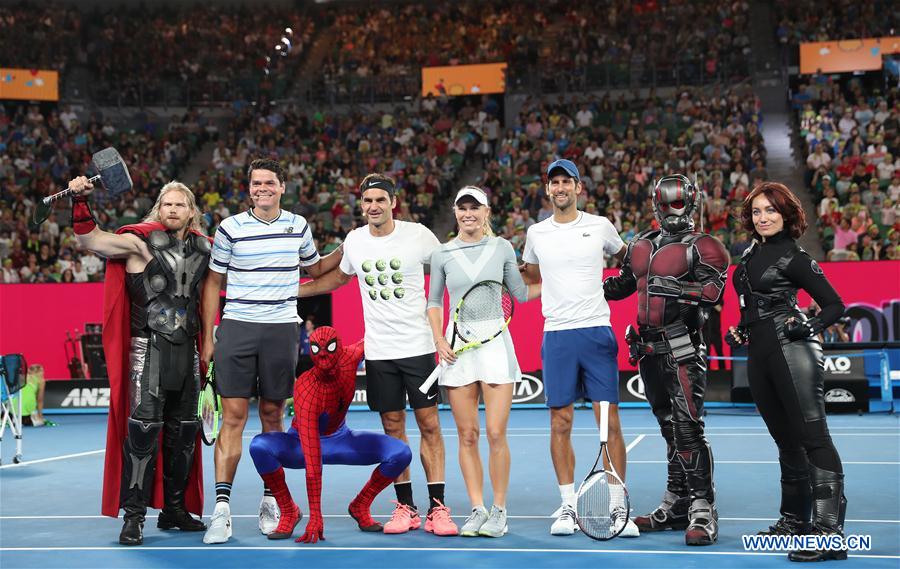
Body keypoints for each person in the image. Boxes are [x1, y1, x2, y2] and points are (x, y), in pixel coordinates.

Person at [299, 173, 457, 536]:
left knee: (430, 425)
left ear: (393, 203)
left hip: (419, 348)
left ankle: (438, 508)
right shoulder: (355, 241)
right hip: (380, 351)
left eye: (380, 200)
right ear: (362, 204)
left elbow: (447, 270)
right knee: (393, 427)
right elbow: (336, 279)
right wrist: (292, 290)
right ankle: (406, 507)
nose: (373, 206)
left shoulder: (418, 235)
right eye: (367, 201)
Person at [201, 159, 343, 544]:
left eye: (269, 183)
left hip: (281, 329)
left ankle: (272, 500)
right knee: (232, 416)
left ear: (283, 187)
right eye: (255, 183)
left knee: (271, 413)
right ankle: (221, 510)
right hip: (238, 327)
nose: (261, 188)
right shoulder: (230, 228)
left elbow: (315, 270)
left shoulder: (298, 226)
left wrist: (352, 247)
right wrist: (208, 336)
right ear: (249, 188)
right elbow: (214, 282)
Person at [67, 176, 209, 545]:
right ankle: (134, 517)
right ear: (158, 210)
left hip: (188, 352)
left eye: (180, 204)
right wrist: (80, 202)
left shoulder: (205, 249)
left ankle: (174, 510)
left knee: (185, 435)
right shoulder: (138, 244)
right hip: (149, 353)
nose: (173, 209)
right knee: (142, 435)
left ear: (191, 210)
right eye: (167, 204)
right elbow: (91, 239)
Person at [604, 175, 730, 546]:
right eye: (667, 203)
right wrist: (581, 286)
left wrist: (676, 288)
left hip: (683, 346)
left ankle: (703, 506)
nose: (674, 210)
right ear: (656, 204)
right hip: (647, 347)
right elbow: (622, 286)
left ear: (691, 205)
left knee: (688, 427)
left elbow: (712, 292)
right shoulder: (640, 244)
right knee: (666, 426)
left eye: (680, 203)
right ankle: (677, 503)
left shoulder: (705, 246)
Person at [729, 182, 847, 562]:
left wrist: (809, 326)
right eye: (757, 211)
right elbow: (754, 305)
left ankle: (831, 536)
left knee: (813, 436)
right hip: (760, 351)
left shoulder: (795, 258)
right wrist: (740, 330)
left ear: (786, 215)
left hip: (792, 348)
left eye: (771, 211)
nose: (763, 218)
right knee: (786, 441)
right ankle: (796, 522)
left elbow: (833, 305)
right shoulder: (749, 255)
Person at [520, 159, 639, 537]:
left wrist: (621, 287)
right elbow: (532, 279)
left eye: (566, 182)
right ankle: (569, 506)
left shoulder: (600, 225)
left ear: (578, 188)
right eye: (554, 182)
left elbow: (630, 261)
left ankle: (619, 507)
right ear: (548, 189)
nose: (560, 188)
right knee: (561, 421)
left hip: (596, 332)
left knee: (610, 422)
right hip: (557, 335)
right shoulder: (536, 233)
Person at [426, 186, 540, 538]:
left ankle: (499, 510)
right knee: (467, 434)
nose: (468, 213)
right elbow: (433, 302)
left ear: (487, 211)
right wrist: (440, 338)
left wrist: (559, 280)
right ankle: (477, 508)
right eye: (462, 208)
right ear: (456, 212)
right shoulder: (442, 253)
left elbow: (520, 294)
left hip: (495, 347)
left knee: (494, 433)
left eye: (475, 207)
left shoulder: (502, 247)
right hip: (457, 350)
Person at [249, 326, 412, 544]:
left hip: (342, 440)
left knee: (401, 453)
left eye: (330, 348)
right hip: (302, 444)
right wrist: (315, 513)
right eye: (317, 350)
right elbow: (312, 456)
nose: (324, 355)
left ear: (340, 348)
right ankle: (289, 511)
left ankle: (360, 504)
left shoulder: (351, 356)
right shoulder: (305, 387)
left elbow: (377, 336)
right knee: (259, 447)